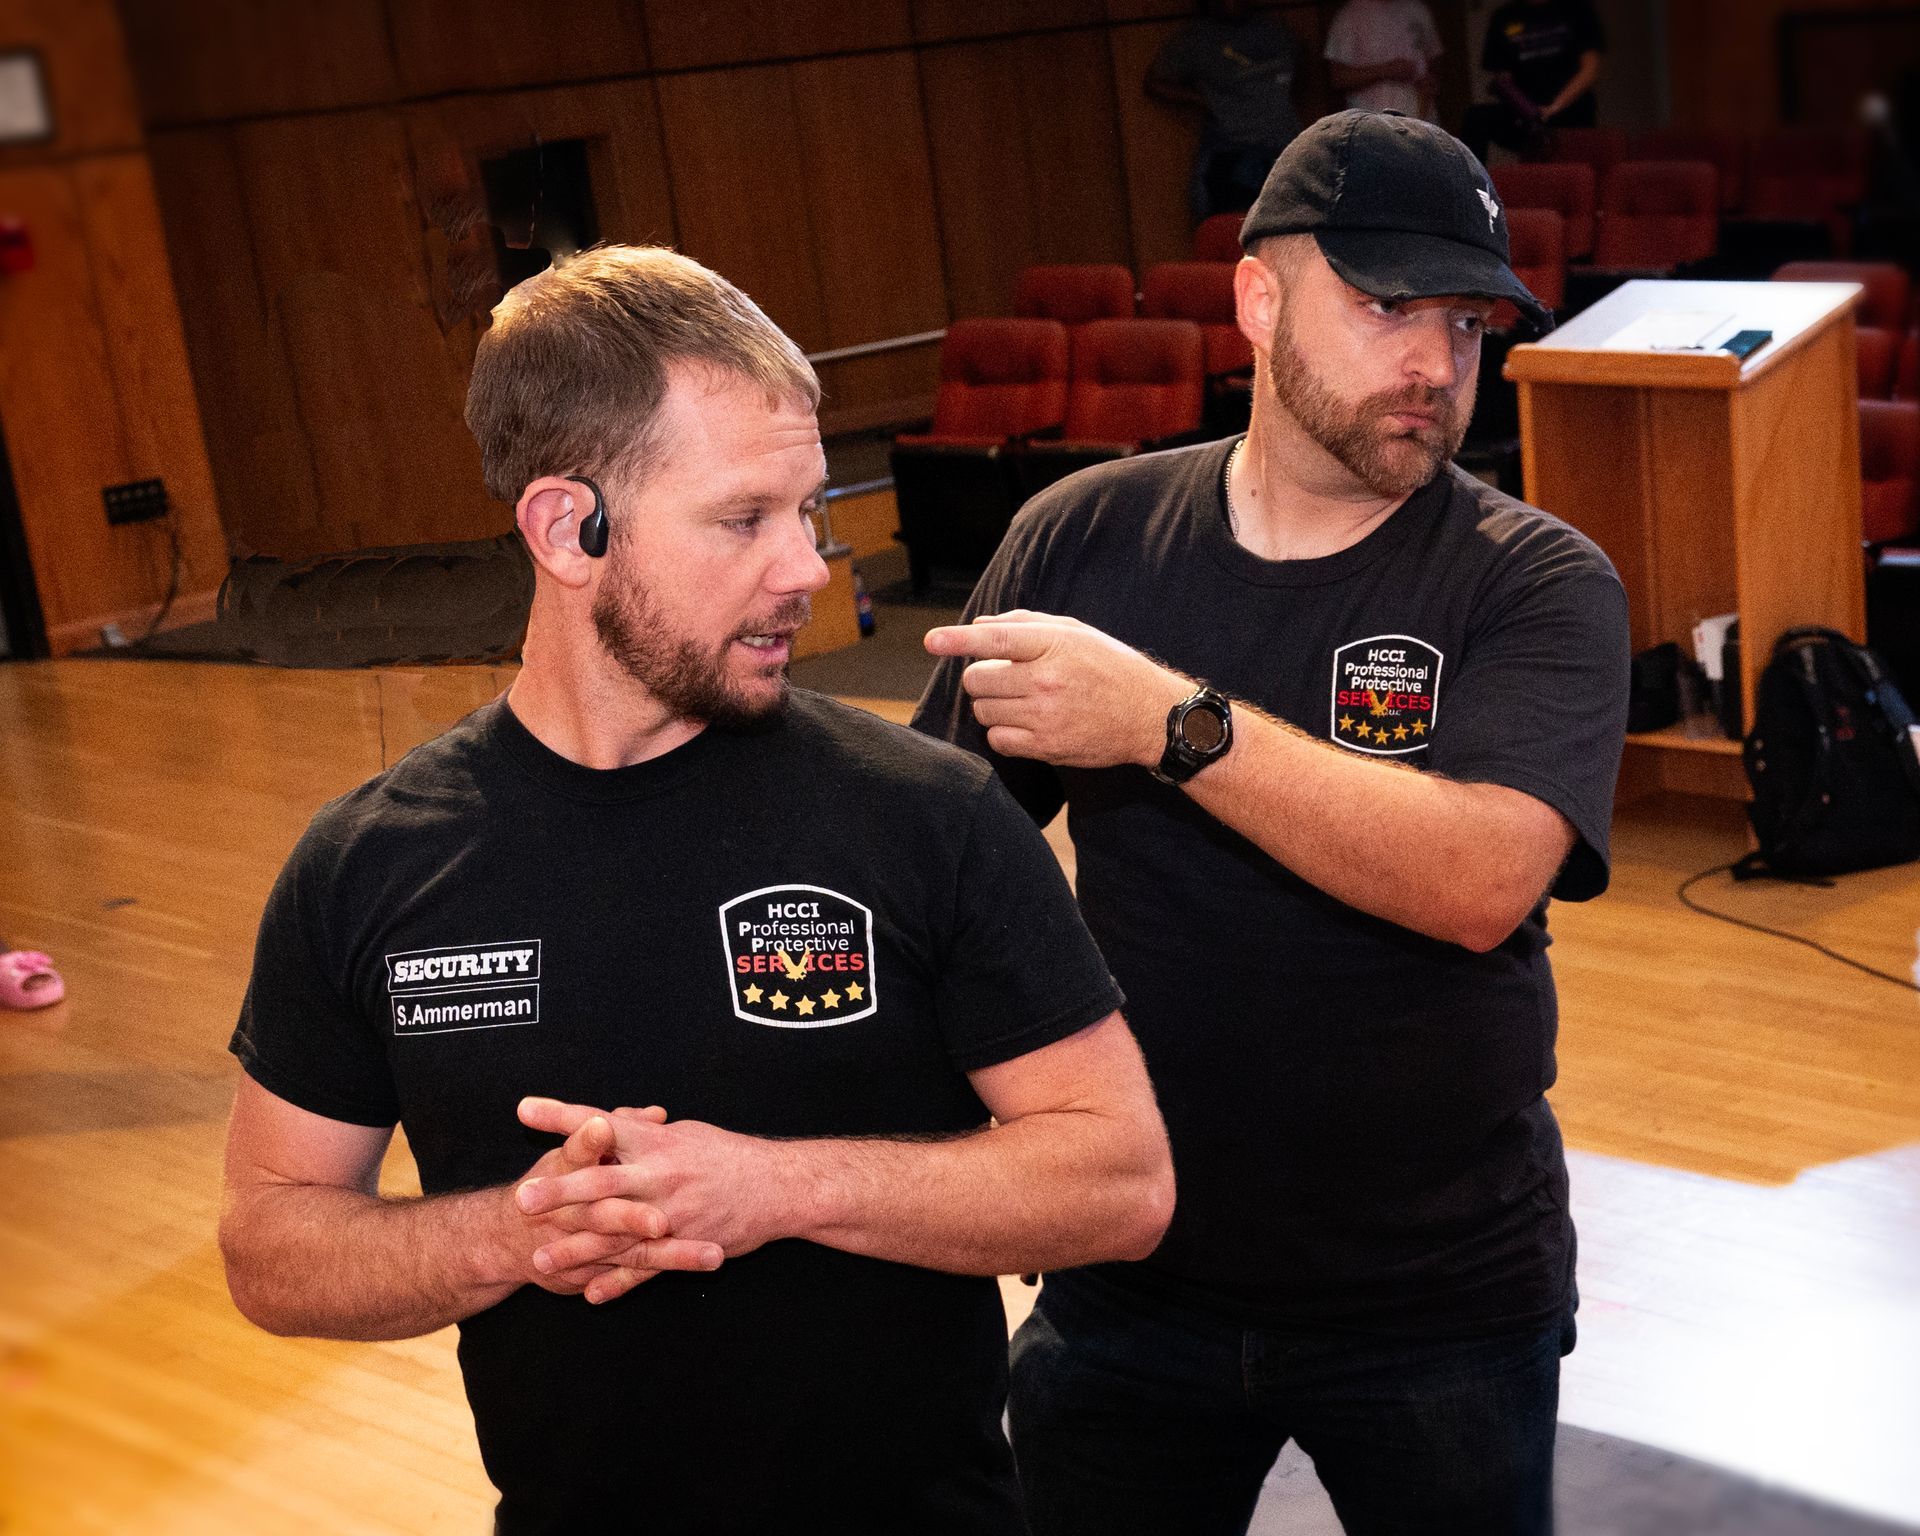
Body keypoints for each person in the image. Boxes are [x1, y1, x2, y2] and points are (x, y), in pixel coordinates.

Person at [218, 246, 1175, 1536]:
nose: (809, 568)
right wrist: (520, 1233)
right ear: (567, 529)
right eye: (744, 519)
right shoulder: (371, 866)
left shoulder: (926, 815)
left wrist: (779, 1190)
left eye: (808, 510)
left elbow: (1122, 1180)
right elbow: (272, 1249)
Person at [915, 111, 1630, 1536]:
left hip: (1440, 1300)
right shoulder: (1081, 537)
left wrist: (1167, 724)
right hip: (1129, 1273)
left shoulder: (1536, 580)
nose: (1436, 365)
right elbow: (937, 865)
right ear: (1257, 298)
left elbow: (1481, 877)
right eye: (1386, 307)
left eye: (1466, 324)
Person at [1147, 0, 1304, 221]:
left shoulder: (1275, 31)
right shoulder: (1195, 39)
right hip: (1231, 151)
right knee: (1228, 230)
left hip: (1283, 147)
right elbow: (1155, 83)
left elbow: (1301, 68)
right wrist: (1204, 101)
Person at [1464, 0, 1606, 162]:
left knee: (1573, 127)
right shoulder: (1504, 16)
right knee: (1477, 118)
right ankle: (1470, 177)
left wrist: (1554, 107)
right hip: (1525, 113)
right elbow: (1503, 75)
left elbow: (1590, 70)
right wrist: (1519, 103)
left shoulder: (1578, 10)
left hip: (1570, 109)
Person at [1324, 0, 1444, 123]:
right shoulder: (1349, 15)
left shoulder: (1417, 9)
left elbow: (1434, 58)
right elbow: (1339, 77)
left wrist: (1429, 82)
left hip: (1421, 121)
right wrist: (1386, 71)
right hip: (1373, 124)